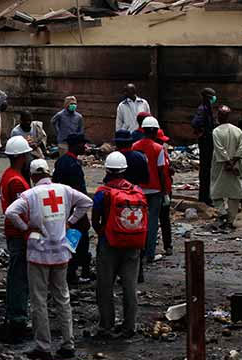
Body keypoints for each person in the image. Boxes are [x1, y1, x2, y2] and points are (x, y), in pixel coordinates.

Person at [5, 159, 93, 360]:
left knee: (39, 301)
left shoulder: (30, 194)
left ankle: (43, 347)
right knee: (63, 299)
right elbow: (87, 202)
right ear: (48, 173)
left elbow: (10, 212)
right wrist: (70, 222)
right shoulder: (65, 190)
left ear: (33, 176)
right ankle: (68, 344)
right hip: (61, 253)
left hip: (38, 254)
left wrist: (25, 227)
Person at [92, 152, 147, 340]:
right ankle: (129, 326)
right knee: (130, 287)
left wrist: (102, 233)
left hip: (109, 244)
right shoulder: (137, 191)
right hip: (133, 245)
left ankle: (106, 326)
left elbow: (95, 219)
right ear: (124, 170)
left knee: (105, 287)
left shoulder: (102, 193)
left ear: (107, 170)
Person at [0, 136, 33, 340]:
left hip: (12, 231)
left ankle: (14, 312)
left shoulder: (8, 174)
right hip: (18, 233)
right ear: (21, 157)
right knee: (19, 275)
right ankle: (18, 316)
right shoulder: (17, 182)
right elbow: (22, 211)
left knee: (16, 273)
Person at [53, 133, 93, 285]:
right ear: (76, 145)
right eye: (83, 144)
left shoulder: (63, 161)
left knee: (72, 237)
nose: (85, 147)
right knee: (79, 237)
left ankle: (73, 269)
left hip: (66, 206)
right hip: (74, 207)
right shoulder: (72, 164)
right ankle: (76, 271)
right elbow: (78, 191)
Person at [132, 117, 167, 266]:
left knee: (138, 221)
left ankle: (138, 252)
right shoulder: (158, 149)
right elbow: (161, 172)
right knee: (152, 222)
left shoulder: (134, 146)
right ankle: (150, 254)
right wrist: (165, 192)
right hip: (154, 189)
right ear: (155, 131)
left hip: (138, 189)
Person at [211, 105, 242, 228]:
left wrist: (228, 163)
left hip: (220, 165)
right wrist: (234, 163)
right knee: (234, 193)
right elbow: (241, 148)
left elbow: (220, 149)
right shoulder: (238, 131)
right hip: (236, 166)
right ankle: (230, 220)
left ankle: (222, 212)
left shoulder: (216, 131)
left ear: (219, 116)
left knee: (215, 191)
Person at [192, 88, 217, 206]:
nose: (214, 98)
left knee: (207, 170)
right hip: (205, 142)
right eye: (212, 96)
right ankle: (204, 197)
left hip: (208, 141)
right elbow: (195, 123)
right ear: (206, 97)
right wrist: (203, 132)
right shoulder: (202, 109)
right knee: (205, 170)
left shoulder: (208, 108)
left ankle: (205, 196)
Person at [155, 129, 174, 255]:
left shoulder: (163, 152)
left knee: (165, 219)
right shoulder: (157, 151)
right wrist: (164, 191)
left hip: (165, 188)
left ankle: (168, 245)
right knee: (160, 218)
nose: (163, 143)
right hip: (160, 189)